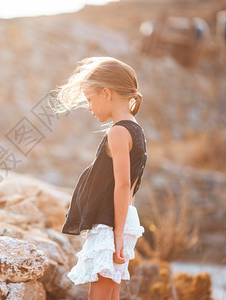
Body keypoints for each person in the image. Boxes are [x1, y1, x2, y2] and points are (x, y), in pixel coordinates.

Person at [54, 57, 147, 300]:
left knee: (99, 294)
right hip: (122, 220)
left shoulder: (118, 132)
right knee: (110, 292)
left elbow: (124, 185)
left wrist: (116, 237)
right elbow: (131, 189)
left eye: (89, 100)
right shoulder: (136, 130)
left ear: (106, 93)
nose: (88, 107)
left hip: (110, 225)